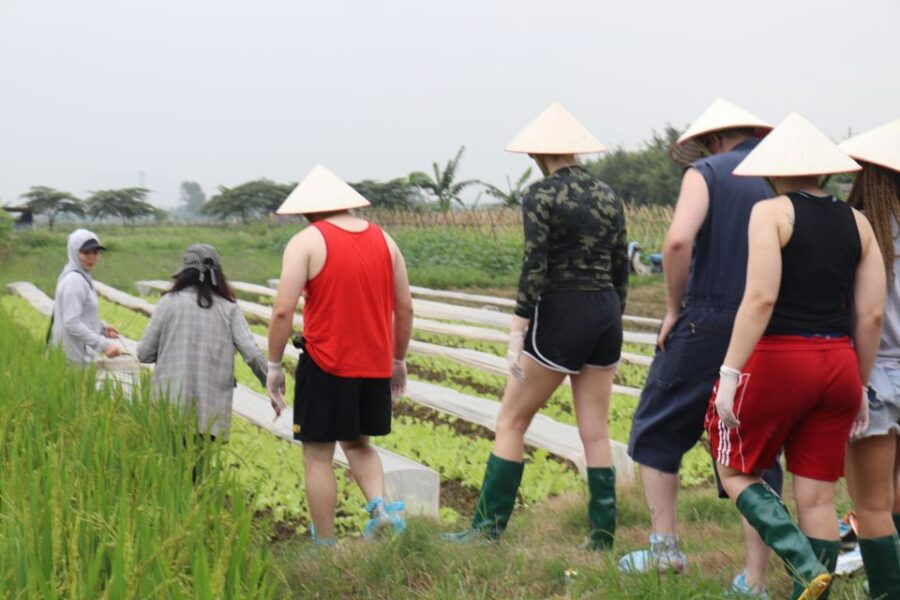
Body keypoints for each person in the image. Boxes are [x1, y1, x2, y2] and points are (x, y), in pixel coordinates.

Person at [707, 112, 884, 600]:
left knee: (733, 465)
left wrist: (728, 373)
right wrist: (860, 384)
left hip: (781, 359)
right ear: (825, 170)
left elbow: (760, 298)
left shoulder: (771, 213)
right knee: (818, 497)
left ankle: (805, 567)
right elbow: (869, 315)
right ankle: (813, 590)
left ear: (772, 169)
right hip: (840, 363)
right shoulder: (859, 222)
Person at [445, 102, 628, 549]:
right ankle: (602, 537)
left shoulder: (541, 195)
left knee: (511, 420)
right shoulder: (609, 195)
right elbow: (621, 263)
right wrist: (611, 314)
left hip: (561, 311)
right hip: (606, 310)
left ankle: (485, 532)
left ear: (537, 155)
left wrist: (517, 329)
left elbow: (535, 265)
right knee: (596, 431)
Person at [620, 99, 782, 596]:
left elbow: (676, 242)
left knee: (658, 426)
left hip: (707, 319)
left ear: (713, 139)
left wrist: (674, 308)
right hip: (767, 325)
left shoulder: (706, 171)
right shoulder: (780, 178)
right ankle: (755, 578)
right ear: (754, 133)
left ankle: (666, 548)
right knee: (753, 448)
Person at [266, 164, 414, 546]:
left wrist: (273, 365)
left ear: (308, 210)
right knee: (359, 445)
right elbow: (405, 307)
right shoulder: (386, 241)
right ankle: (381, 510)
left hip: (327, 362)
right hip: (374, 364)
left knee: (317, 456)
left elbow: (283, 310)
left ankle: (325, 546)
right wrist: (397, 360)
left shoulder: (306, 242)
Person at [840, 118, 900, 599]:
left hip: (875, 375)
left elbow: (870, 316)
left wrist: (855, 384)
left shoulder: (864, 233)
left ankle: (885, 592)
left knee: (870, 504)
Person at [137, 244, 267, 443]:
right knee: (201, 468)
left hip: (170, 408)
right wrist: (271, 384)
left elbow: (144, 353)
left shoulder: (168, 303)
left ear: (185, 272)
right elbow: (252, 353)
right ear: (217, 274)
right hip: (211, 412)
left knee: (171, 469)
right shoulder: (229, 308)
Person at [50, 228, 121, 364]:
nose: (92, 257)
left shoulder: (77, 275)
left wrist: (102, 328)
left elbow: (82, 316)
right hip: (74, 360)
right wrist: (104, 346)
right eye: (86, 252)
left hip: (74, 356)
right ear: (74, 252)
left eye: (95, 252)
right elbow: (72, 321)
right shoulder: (74, 281)